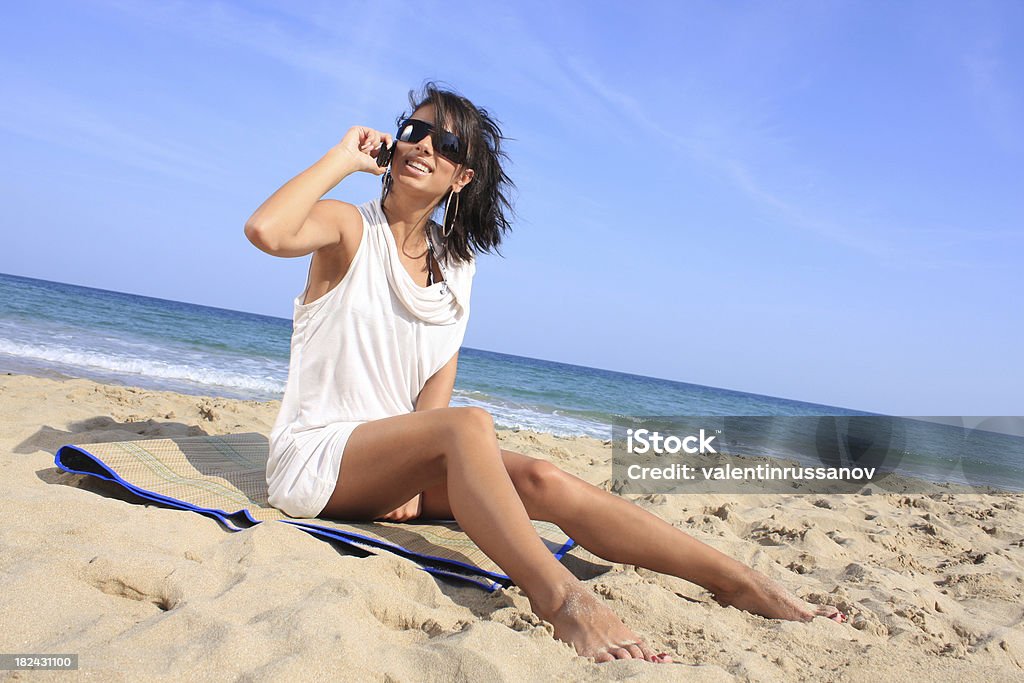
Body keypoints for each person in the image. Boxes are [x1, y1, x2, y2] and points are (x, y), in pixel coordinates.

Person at [244, 82, 845, 664]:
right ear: (394, 145)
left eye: (448, 145)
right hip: (317, 461)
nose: (425, 146)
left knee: (541, 478)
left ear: (463, 177)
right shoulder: (350, 227)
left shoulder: (458, 267)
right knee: (470, 426)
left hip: (389, 468)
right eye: (415, 131)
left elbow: (433, 392)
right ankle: (562, 600)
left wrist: (407, 473)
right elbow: (267, 230)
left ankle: (735, 578)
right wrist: (343, 158)